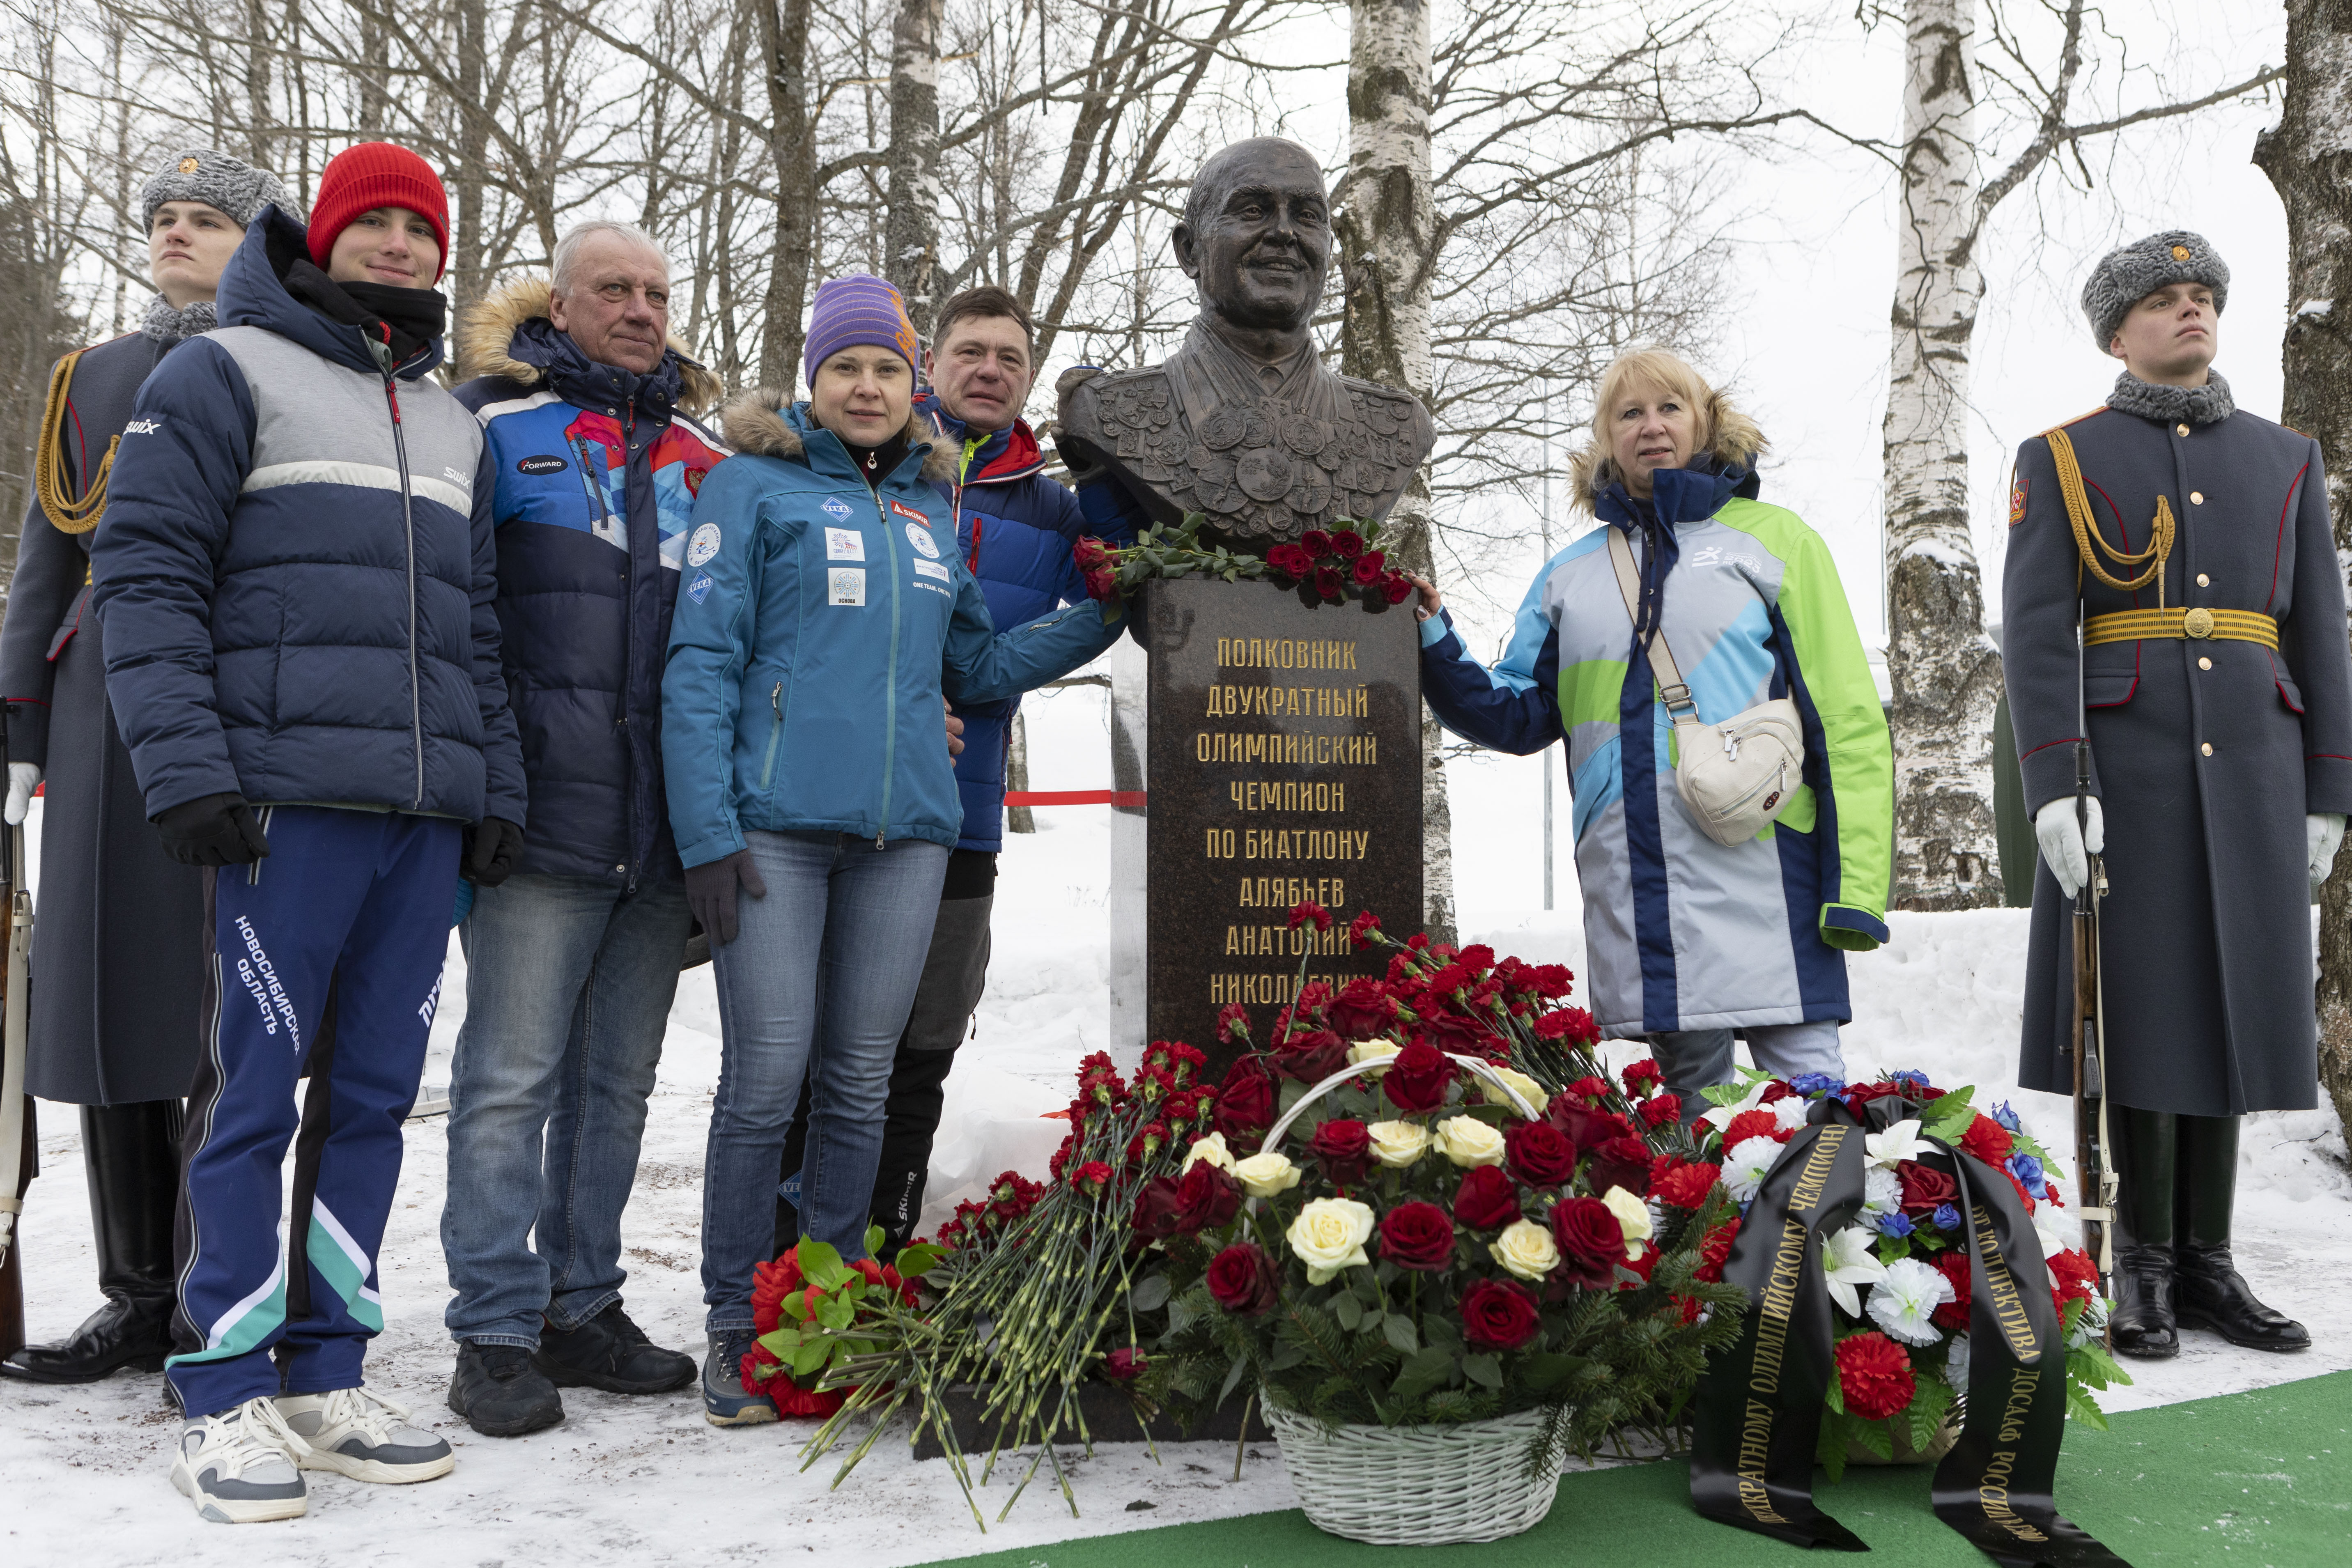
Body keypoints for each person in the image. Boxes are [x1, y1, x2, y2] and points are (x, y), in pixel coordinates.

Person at [91, 141, 525, 1522]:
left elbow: (479, 634)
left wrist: (494, 788)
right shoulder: (218, 372)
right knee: (252, 1095)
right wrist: (185, 769)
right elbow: (144, 578)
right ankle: (219, 1385)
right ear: (319, 237)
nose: (399, 246)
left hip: (420, 818)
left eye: (421, 228)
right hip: (281, 810)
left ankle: (328, 1367)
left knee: (378, 1097)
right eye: (374, 223)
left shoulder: (452, 422)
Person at [662, 274, 1125, 1426]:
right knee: (769, 1080)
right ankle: (736, 1318)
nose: (866, 387)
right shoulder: (753, 487)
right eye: (846, 368)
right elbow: (701, 664)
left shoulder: (927, 504)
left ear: (905, 385)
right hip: (775, 833)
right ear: (815, 381)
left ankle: (835, 1301)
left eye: (883, 368)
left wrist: (1118, 604)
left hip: (909, 834)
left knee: (863, 1082)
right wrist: (706, 834)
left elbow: (978, 664)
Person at [2003, 232, 2350, 1359]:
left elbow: (2322, 634)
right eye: (2163, 300)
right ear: (2118, 330)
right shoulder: (2059, 456)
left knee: (2234, 1007)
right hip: (2126, 768)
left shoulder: (2286, 457)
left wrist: (2330, 792)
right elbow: (2039, 633)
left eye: (2204, 296)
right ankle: (2140, 1263)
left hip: (2255, 762)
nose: (2189, 312)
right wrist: (2055, 782)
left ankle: (2209, 1262)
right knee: (2144, 1009)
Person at [1411, 347, 1891, 1112]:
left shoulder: (1777, 542)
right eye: (1629, 414)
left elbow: (1848, 723)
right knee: (1690, 1146)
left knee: (1814, 1126)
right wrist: (1433, 638)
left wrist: (1857, 888)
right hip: (1640, 892)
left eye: (1670, 407)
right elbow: (1517, 712)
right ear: (1605, 438)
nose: (1652, 427)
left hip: (1773, 880)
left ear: (1707, 422)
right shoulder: (1568, 576)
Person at [434, 222, 729, 1437]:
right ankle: (495, 1329)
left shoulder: (709, 456)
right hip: (540, 819)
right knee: (510, 1081)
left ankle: (582, 1305)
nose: (641, 308)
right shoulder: (490, 426)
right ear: (558, 303)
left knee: (617, 1084)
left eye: (659, 291)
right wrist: (489, 785)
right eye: (615, 288)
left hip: (661, 833)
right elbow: (457, 622)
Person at [0, 149, 289, 1386]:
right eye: (164, 219)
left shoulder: (284, 365)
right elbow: (44, 563)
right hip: (100, 711)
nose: (177, 233)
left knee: (226, 1007)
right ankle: (135, 1292)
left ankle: (217, 1288)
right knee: (106, 997)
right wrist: (18, 727)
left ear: (260, 240)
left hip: (244, 702)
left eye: (208, 219)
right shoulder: (94, 375)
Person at [773, 284, 1133, 1258]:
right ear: (930, 364)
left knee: (922, 1043)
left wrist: (1097, 471)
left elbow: (1129, 578)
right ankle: (780, 1257)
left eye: (1010, 359)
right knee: (816, 1050)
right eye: (971, 351)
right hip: (830, 805)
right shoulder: (874, 465)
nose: (989, 370)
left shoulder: (1053, 512)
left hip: (963, 817)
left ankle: (876, 1251)